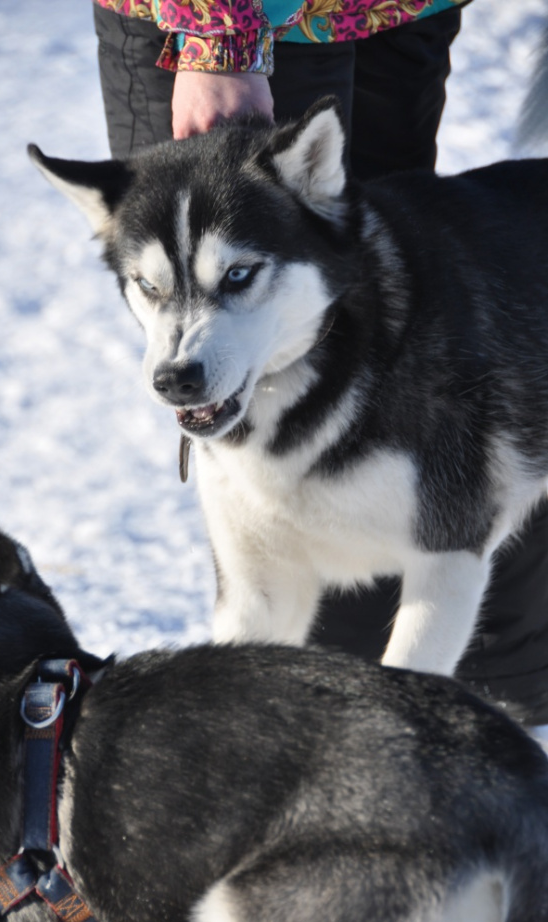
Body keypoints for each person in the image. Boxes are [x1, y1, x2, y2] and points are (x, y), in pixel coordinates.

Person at [91, 0, 548, 727]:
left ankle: (429, 740)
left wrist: (219, 41)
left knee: (402, 315)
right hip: (293, 23)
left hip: (312, 24)